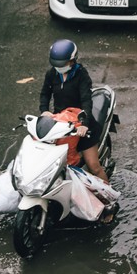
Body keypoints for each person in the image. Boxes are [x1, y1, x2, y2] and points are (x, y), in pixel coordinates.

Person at [39, 39, 109, 185]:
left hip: (82, 124)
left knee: (94, 167)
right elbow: (45, 94)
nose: (59, 67)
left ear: (72, 61)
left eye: (62, 64)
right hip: (61, 123)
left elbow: (86, 100)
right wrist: (44, 111)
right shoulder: (51, 74)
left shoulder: (81, 75)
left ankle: (110, 198)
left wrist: (84, 123)